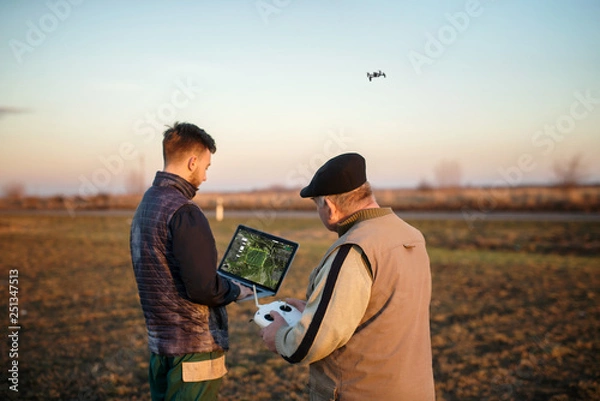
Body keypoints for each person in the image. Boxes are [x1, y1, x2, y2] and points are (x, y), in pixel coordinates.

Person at [260, 152, 435, 400]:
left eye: (316, 206)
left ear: (329, 207)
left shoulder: (353, 250)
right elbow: (379, 311)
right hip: (414, 389)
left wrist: (278, 336)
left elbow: (309, 344)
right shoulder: (411, 236)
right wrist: (316, 309)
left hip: (361, 392)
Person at [130, 122, 252, 401]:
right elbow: (203, 288)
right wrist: (236, 290)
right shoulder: (185, 211)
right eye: (206, 167)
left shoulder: (148, 202)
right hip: (194, 353)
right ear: (192, 161)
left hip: (161, 347)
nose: (205, 177)